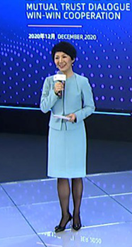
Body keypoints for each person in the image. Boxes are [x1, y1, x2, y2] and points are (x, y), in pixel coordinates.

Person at [39, 41, 95, 233]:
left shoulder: (82, 81)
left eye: (64, 57)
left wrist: (76, 116)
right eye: (57, 57)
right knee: (61, 174)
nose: (60, 61)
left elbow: (90, 107)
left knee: (76, 174)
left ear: (72, 59)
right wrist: (55, 93)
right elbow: (44, 107)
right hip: (56, 133)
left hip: (75, 132)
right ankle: (65, 214)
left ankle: (77, 214)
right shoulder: (50, 81)